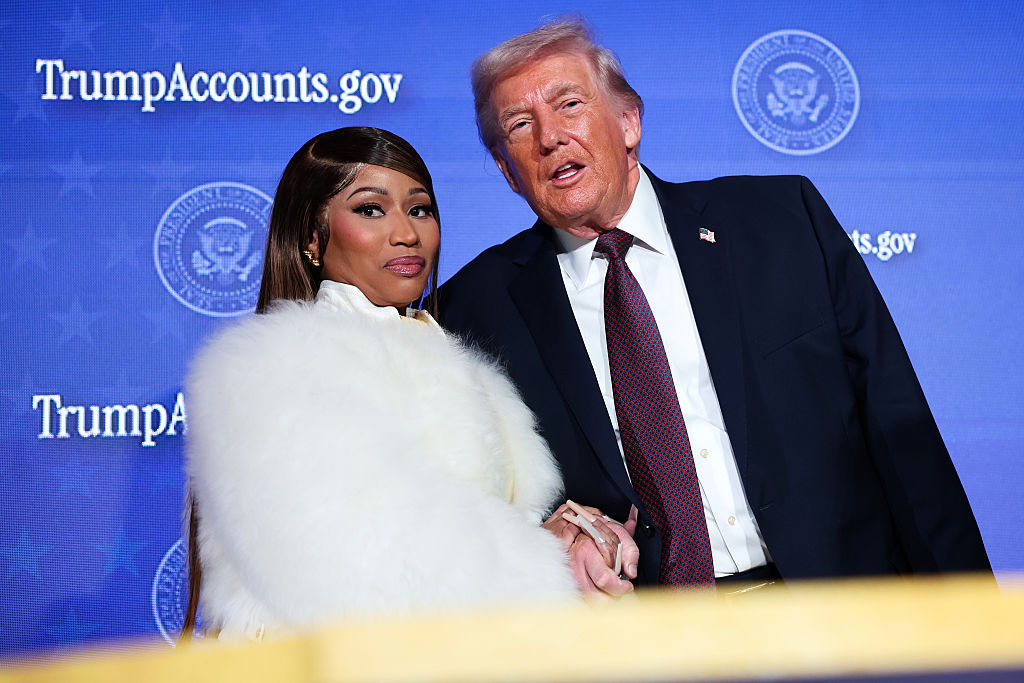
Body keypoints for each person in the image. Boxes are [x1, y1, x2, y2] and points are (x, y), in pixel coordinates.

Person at [439, 19, 991, 593]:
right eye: (520, 125)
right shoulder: (477, 306)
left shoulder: (780, 222)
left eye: (569, 104)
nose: (550, 137)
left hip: (840, 615)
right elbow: (478, 508)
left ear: (628, 122)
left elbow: (904, 442)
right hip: (650, 645)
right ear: (506, 170)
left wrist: (974, 627)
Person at [181, 127, 584, 641]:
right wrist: (550, 560)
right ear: (311, 236)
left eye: (419, 209)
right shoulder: (277, 371)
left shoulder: (455, 364)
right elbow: (378, 573)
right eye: (371, 209)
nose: (407, 234)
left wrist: (578, 538)